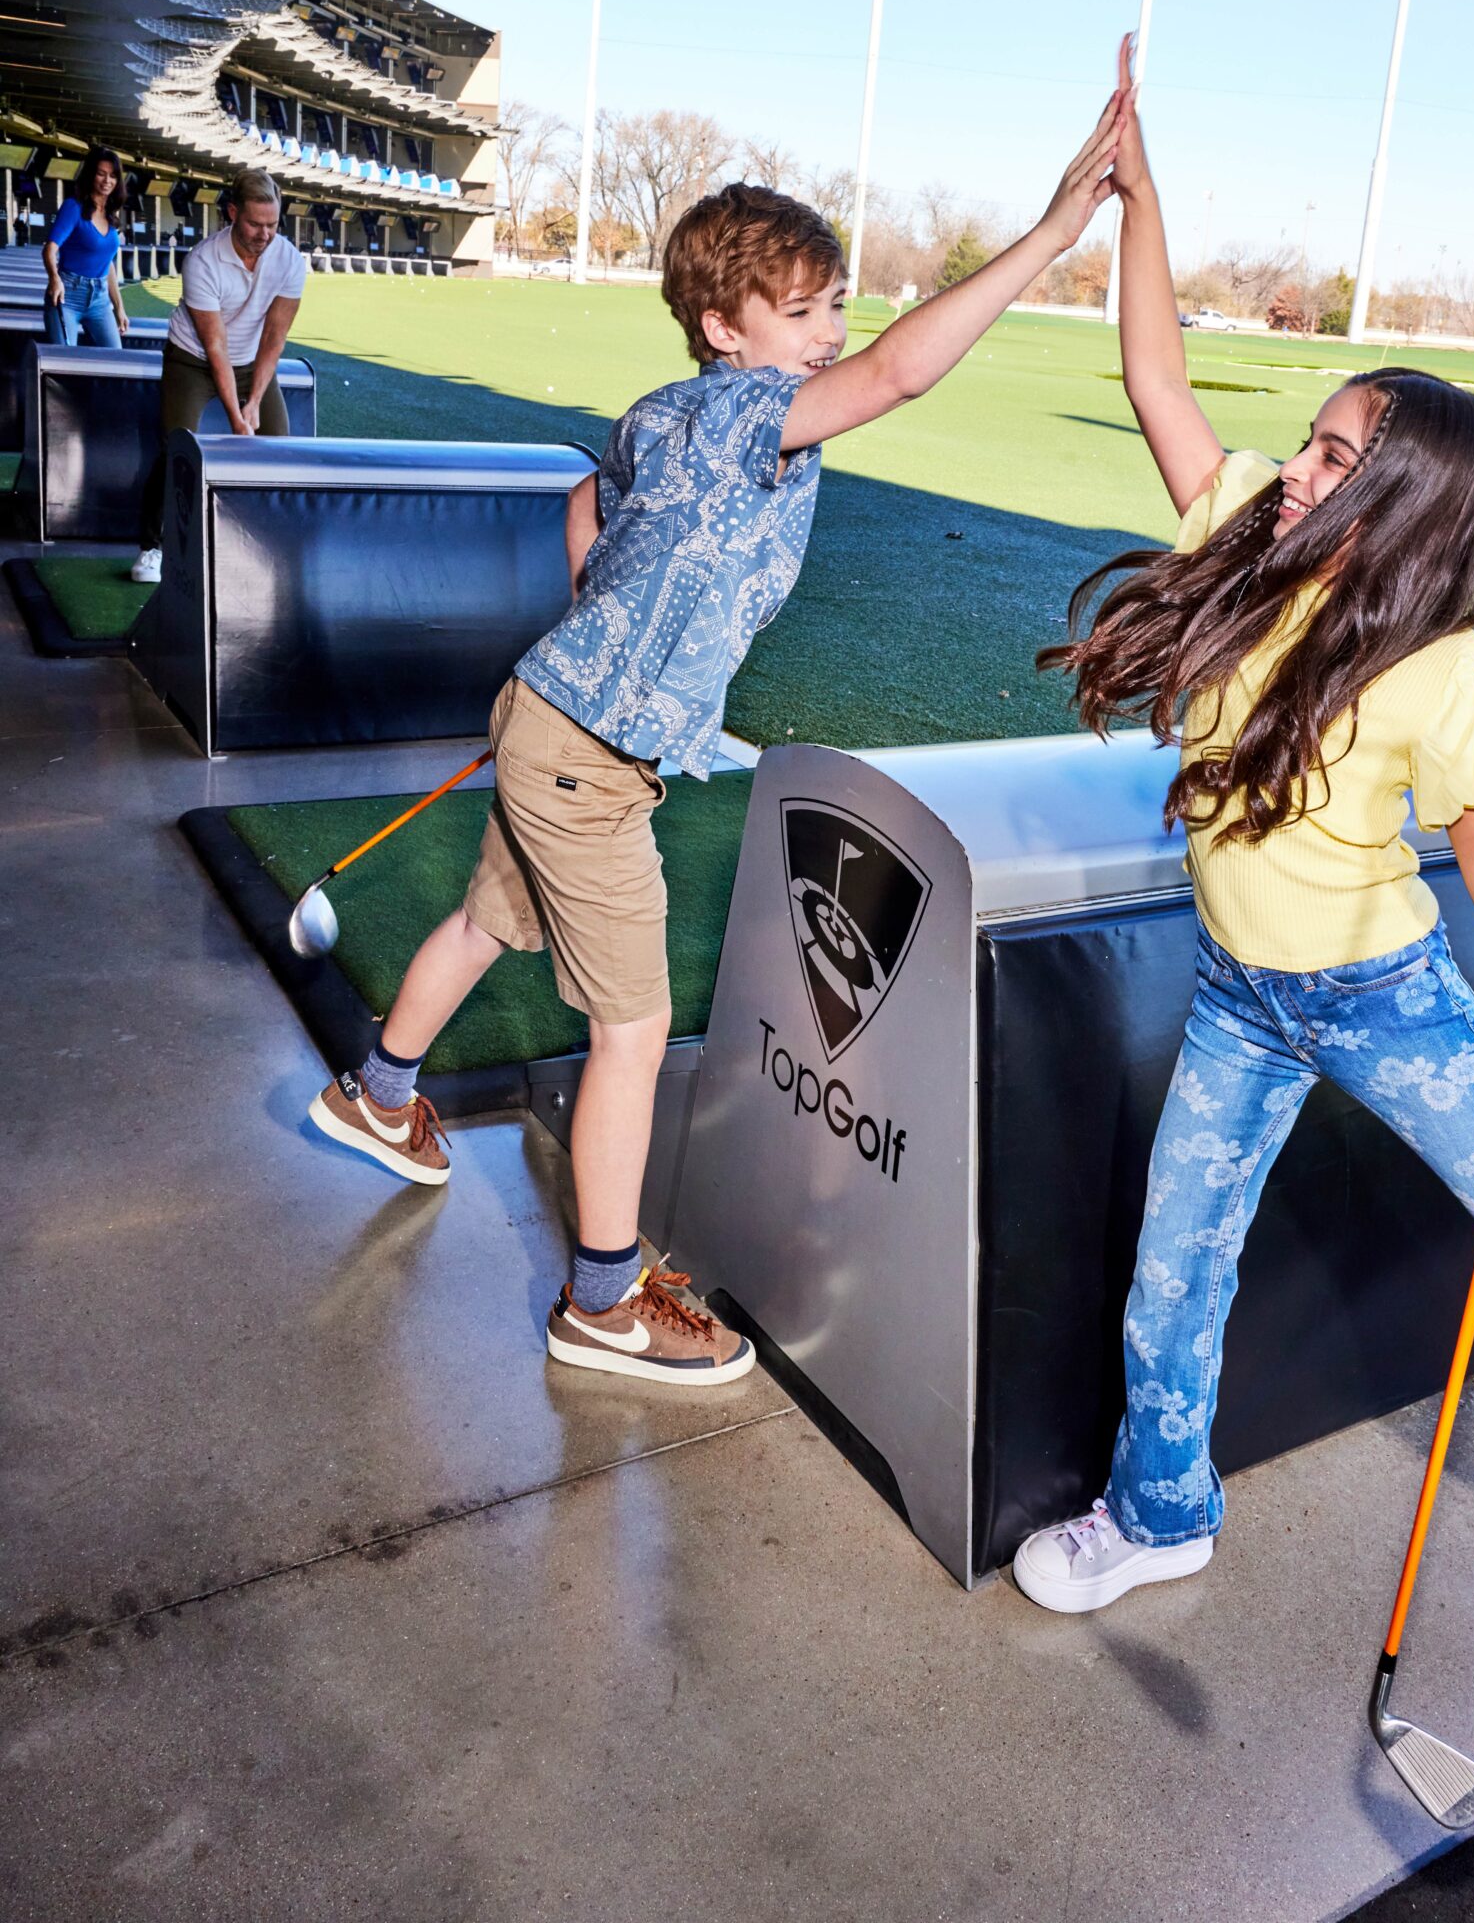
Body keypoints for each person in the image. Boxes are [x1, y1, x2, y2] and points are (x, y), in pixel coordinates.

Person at [1013, 51, 1474, 1613]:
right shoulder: (1244, 536)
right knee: (1175, 1268)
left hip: (1382, 997)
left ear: (1399, 507)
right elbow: (1156, 379)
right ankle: (1160, 1510)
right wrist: (1140, 200)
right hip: (1237, 992)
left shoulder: (1448, 674)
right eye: (1309, 441)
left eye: (1332, 458)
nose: (1295, 469)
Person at [307, 97, 1127, 1387]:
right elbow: (899, 374)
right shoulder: (751, 413)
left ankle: (378, 1091)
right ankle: (600, 1302)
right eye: (799, 313)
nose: (829, 333)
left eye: (833, 305)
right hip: (584, 758)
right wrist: (1053, 232)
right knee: (632, 1032)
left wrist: (598, 642)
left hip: (557, 722)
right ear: (723, 328)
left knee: (487, 920)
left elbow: (588, 501)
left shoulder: (664, 410)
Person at [130, 170, 304, 585]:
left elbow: (274, 338)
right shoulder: (203, 260)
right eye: (255, 224)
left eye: (273, 224)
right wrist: (236, 418)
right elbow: (215, 346)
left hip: (251, 360)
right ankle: (152, 546)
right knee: (177, 447)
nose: (265, 235)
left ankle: (265, 544)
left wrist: (254, 401)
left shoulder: (289, 260)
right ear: (232, 213)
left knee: (277, 446)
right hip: (192, 358)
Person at [42, 146, 130, 348]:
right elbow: (49, 249)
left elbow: (107, 264)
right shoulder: (73, 207)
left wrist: (119, 308)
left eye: (113, 176)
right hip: (67, 295)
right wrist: (54, 279)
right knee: (64, 358)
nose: (107, 180)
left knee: (116, 358)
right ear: (90, 175)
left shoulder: (110, 214)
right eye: (101, 174)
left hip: (99, 300)